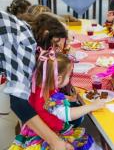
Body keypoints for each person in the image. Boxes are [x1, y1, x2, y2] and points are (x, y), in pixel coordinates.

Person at [0, 11, 74, 149]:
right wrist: (54, 141)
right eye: (56, 46)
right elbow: (18, 103)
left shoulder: (26, 31)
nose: (54, 53)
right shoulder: (27, 43)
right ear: (46, 34)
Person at [9, 51, 105, 149]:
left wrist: (68, 98)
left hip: (36, 130)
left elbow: (49, 102)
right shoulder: (49, 98)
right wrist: (92, 106)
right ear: (58, 79)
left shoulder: (37, 87)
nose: (69, 79)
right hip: (48, 136)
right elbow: (67, 114)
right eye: (68, 76)